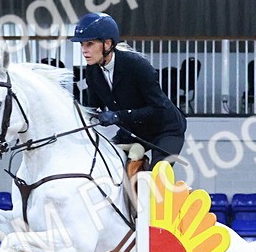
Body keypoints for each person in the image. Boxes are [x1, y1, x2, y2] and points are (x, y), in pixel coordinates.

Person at [71, 11, 186, 168]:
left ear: (108, 44)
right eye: (82, 45)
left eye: (89, 44)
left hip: (165, 129)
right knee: (103, 163)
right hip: (133, 131)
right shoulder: (92, 71)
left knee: (159, 174)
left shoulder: (137, 66)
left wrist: (118, 116)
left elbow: (157, 109)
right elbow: (93, 108)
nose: (84, 50)